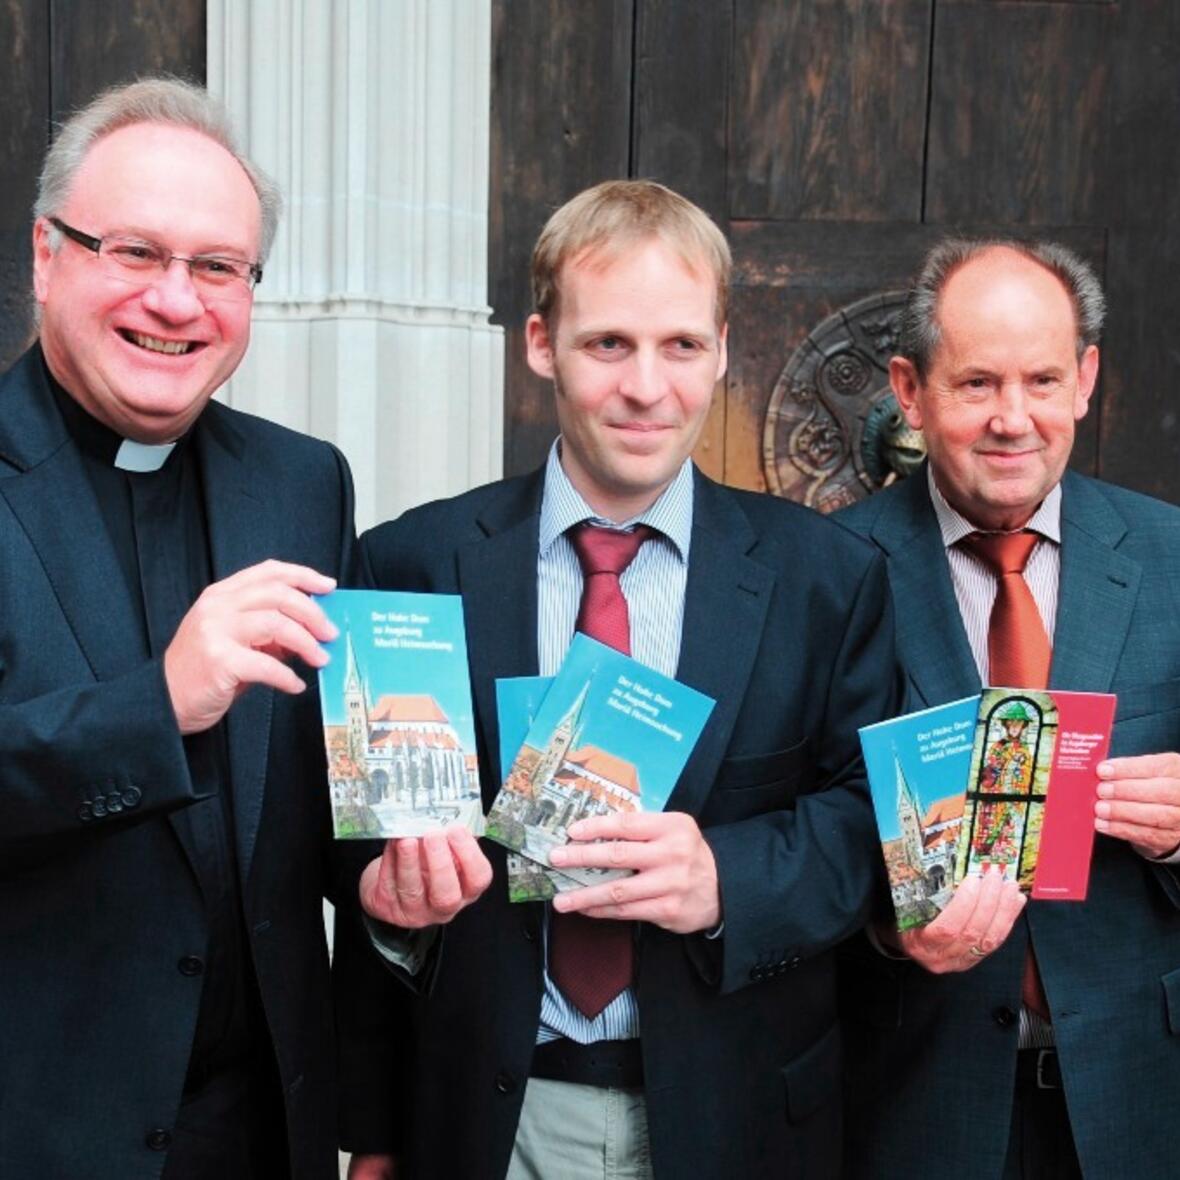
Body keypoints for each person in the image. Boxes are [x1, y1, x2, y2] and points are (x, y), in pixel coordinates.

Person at [339, 180, 901, 1180]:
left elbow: (870, 824)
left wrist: (726, 876)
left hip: (739, 1121)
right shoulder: (411, 563)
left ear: (721, 351)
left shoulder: (827, 578)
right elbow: (354, 853)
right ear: (541, 345)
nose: (647, 387)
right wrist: (374, 1131)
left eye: (680, 345)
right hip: (479, 1121)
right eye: (608, 343)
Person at [0, 78, 370, 1179]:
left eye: (217, 267)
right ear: (46, 256)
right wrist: (155, 706)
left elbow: (328, 799)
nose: (176, 301)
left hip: (259, 1137)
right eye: (135, 252)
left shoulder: (303, 483)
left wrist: (391, 882)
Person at [838, 238, 1180, 1179]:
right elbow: (790, 829)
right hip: (912, 1108)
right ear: (910, 391)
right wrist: (885, 925)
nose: (1012, 418)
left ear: (1086, 380)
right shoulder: (827, 572)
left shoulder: (1173, 558)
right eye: (977, 383)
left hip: (1142, 1103)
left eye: (1042, 380)